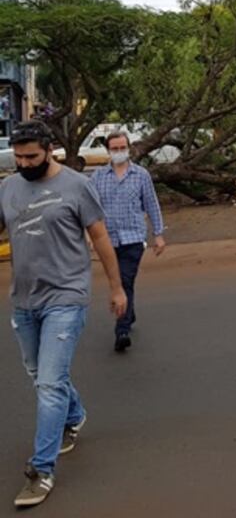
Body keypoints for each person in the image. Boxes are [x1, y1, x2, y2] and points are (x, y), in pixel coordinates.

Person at [2, 120, 127, 508]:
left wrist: (117, 287)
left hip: (66, 296)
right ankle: (75, 416)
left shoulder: (76, 185)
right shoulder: (7, 186)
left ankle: (42, 470)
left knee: (49, 384)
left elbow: (100, 237)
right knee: (41, 375)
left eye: (31, 157)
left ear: (50, 149)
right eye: (18, 157)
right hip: (24, 299)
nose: (23, 164)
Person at [90, 131, 166, 353]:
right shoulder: (97, 177)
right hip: (108, 239)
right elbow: (90, 209)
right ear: (108, 151)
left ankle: (121, 330)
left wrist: (158, 234)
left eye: (122, 147)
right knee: (120, 281)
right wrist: (88, 236)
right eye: (114, 148)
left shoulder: (141, 175)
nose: (119, 152)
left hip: (133, 237)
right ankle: (129, 313)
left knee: (124, 280)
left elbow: (152, 204)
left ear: (129, 148)